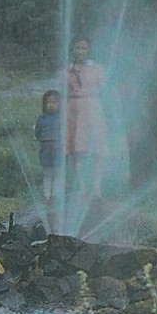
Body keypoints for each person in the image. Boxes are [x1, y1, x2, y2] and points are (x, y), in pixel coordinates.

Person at [60, 38, 107, 197]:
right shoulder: (66, 71)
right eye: (77, 47)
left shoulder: (98, 69)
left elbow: (103, 88)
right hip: (74, 109)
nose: (80, 51)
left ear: (89, 50)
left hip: (93, 108)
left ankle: (97, 188)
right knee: (78, 149)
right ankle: (81, 187)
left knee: (96, 149)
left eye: (83, 48)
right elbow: (63, 90)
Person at [34, 89, 62, 203]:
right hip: (46, 149)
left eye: (54, 102)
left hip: (59, 149)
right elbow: (37, 132)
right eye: (48, 102)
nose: (51, 105)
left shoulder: (62, 117)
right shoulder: (41, 118)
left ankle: (56, 194)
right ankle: (47, 195)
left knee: (58, 172)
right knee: (47, 172)